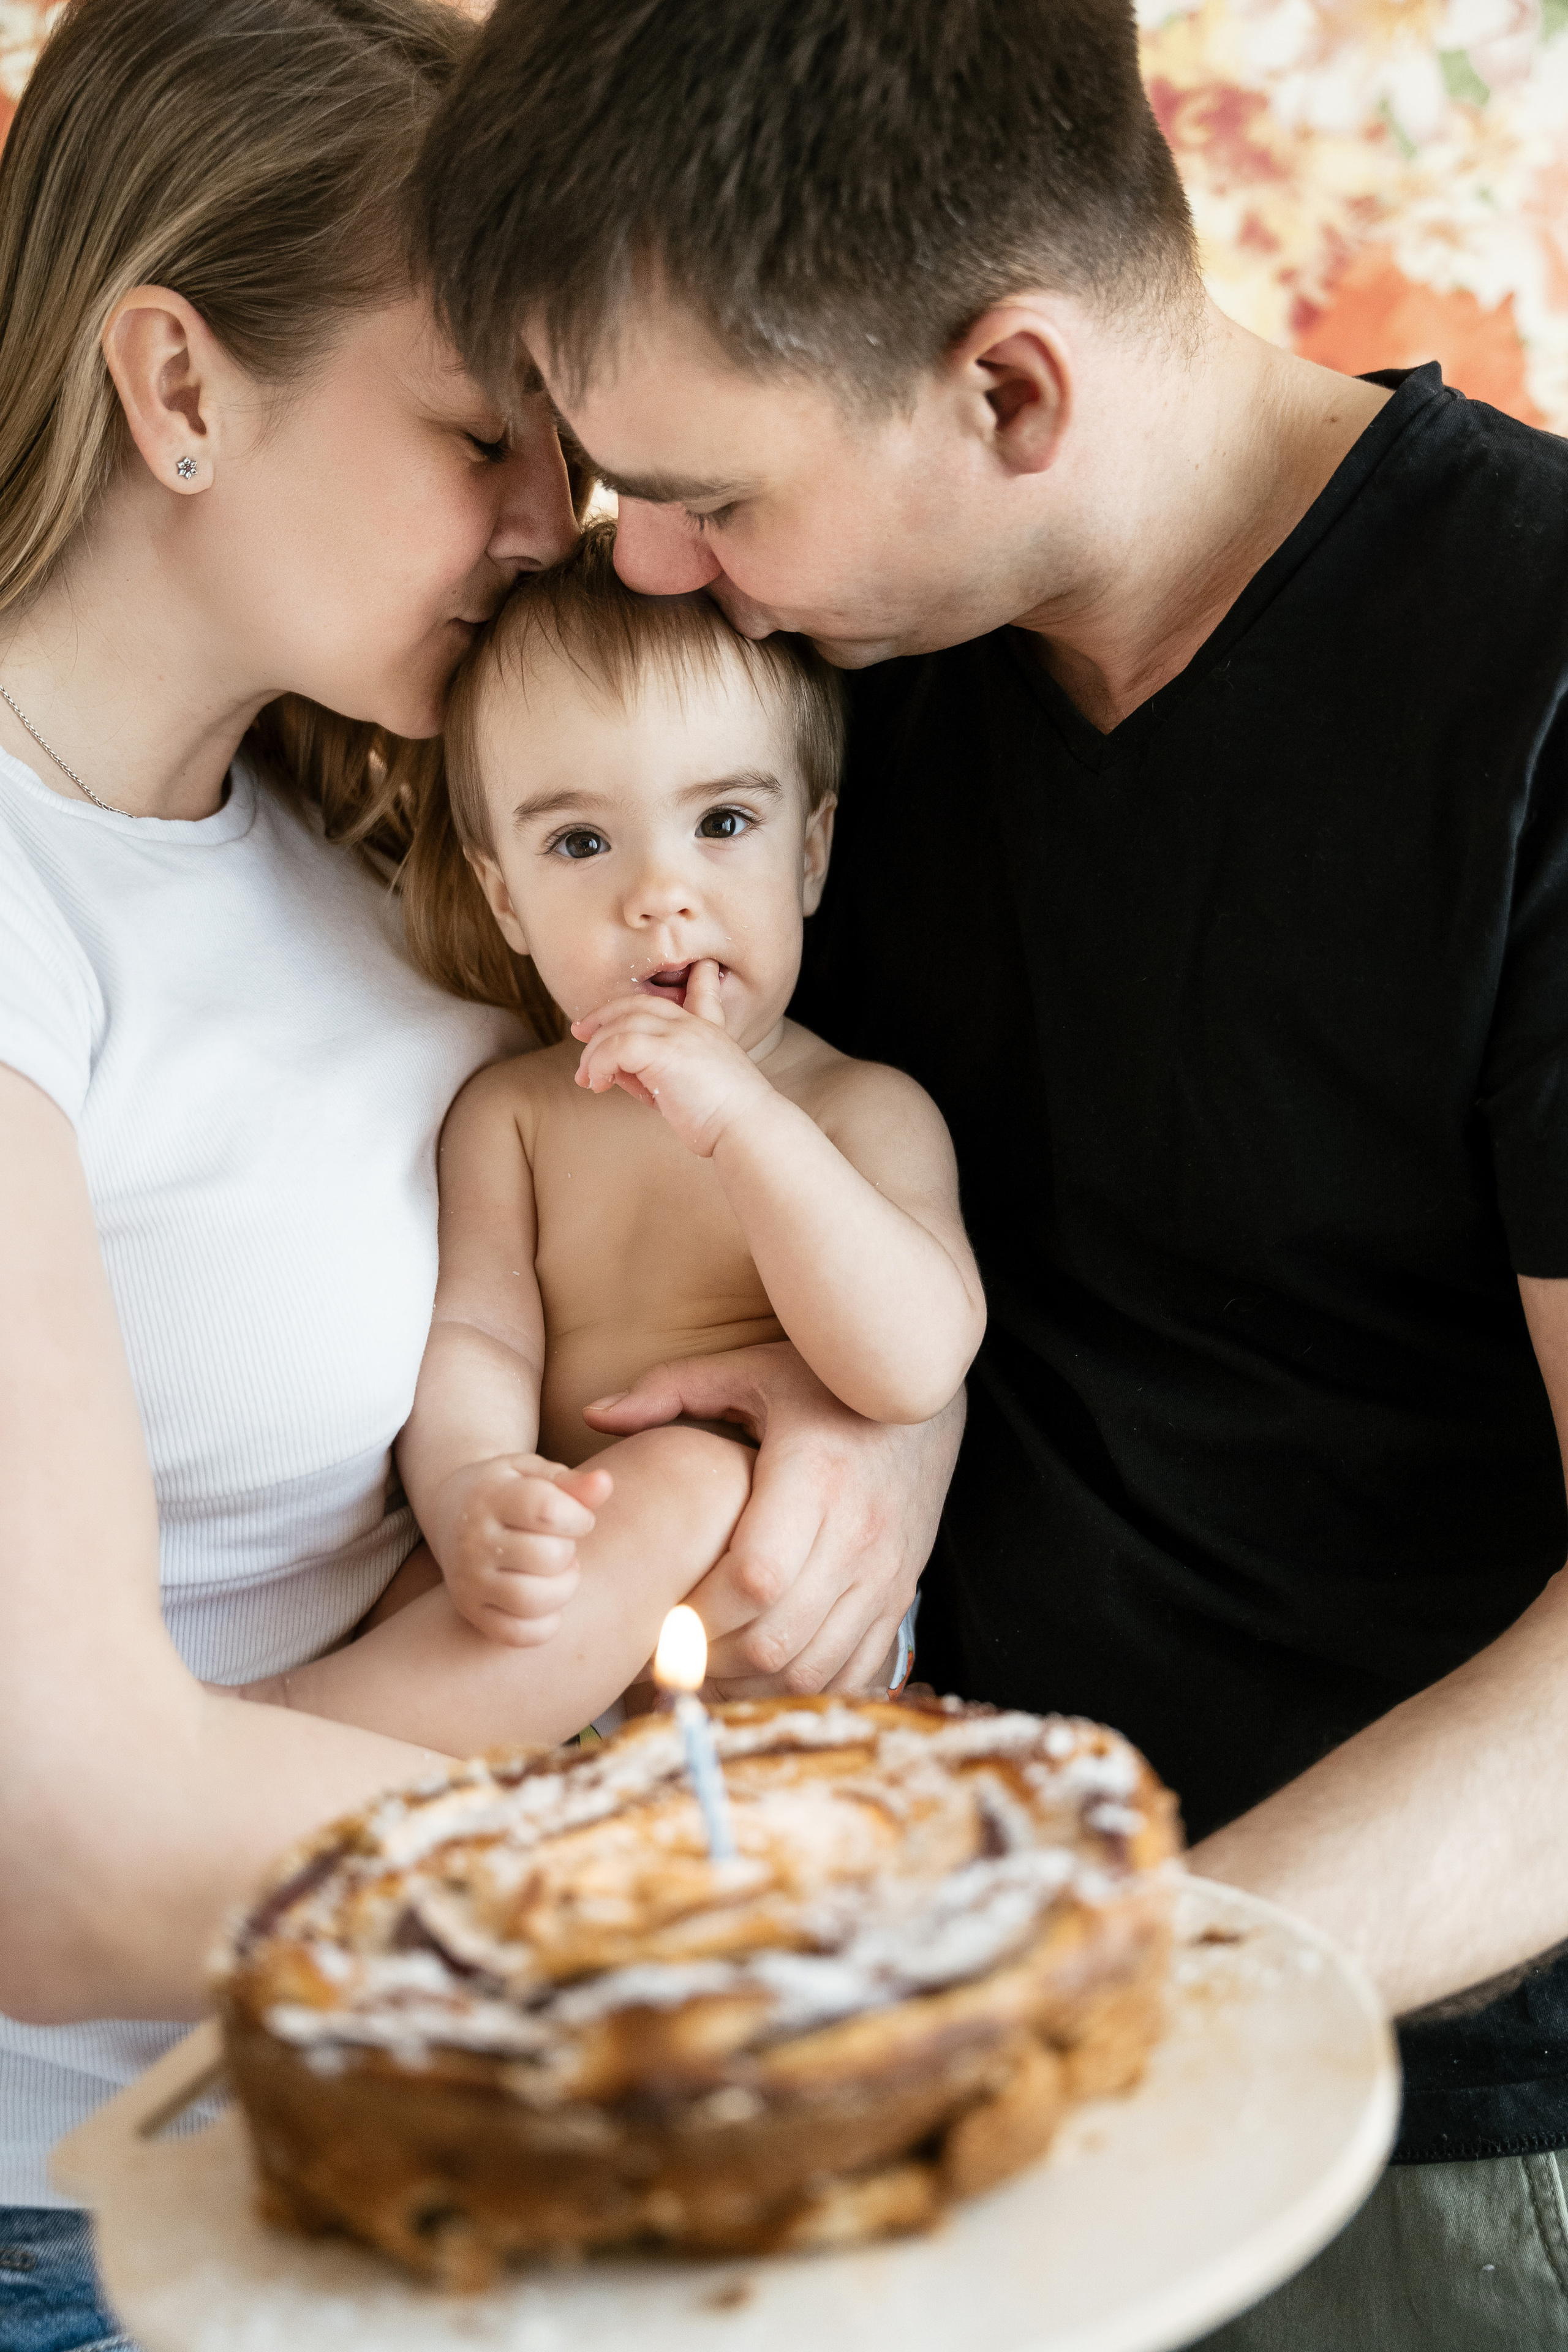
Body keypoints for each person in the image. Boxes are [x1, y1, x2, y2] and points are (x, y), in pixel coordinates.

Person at [417, 0, 1568, 2342]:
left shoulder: (1533, 688)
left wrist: (1081, 2001)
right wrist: (890, 1398)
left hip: (1379, 2117)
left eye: (710, 494)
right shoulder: (847, 649)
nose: (645, 568)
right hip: (832, 2026)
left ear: (1012, 390)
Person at [0, 4, 945, 2344]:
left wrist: (857, 1429)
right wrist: (707, 1876)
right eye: (477, 435)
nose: (570, 524)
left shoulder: (361, 814)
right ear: (178, 385)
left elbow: (698, 1210)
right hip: (114, 2210)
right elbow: (69, 1852)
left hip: (440, 2120)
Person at [316, 529, 980, 1714]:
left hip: (765, 1608)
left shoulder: (857, 1108)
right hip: (573, 1566)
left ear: (812, 853)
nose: (657, 894)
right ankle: (318, 1759)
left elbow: (915, 1362)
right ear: (504, 896)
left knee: (682, 1476)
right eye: (581, 842)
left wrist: (742, 1120)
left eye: (723, 823)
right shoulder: (511, 1116)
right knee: (412, 1588)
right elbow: (480, 1339)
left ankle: (289, 1739)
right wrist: (476, 1490)